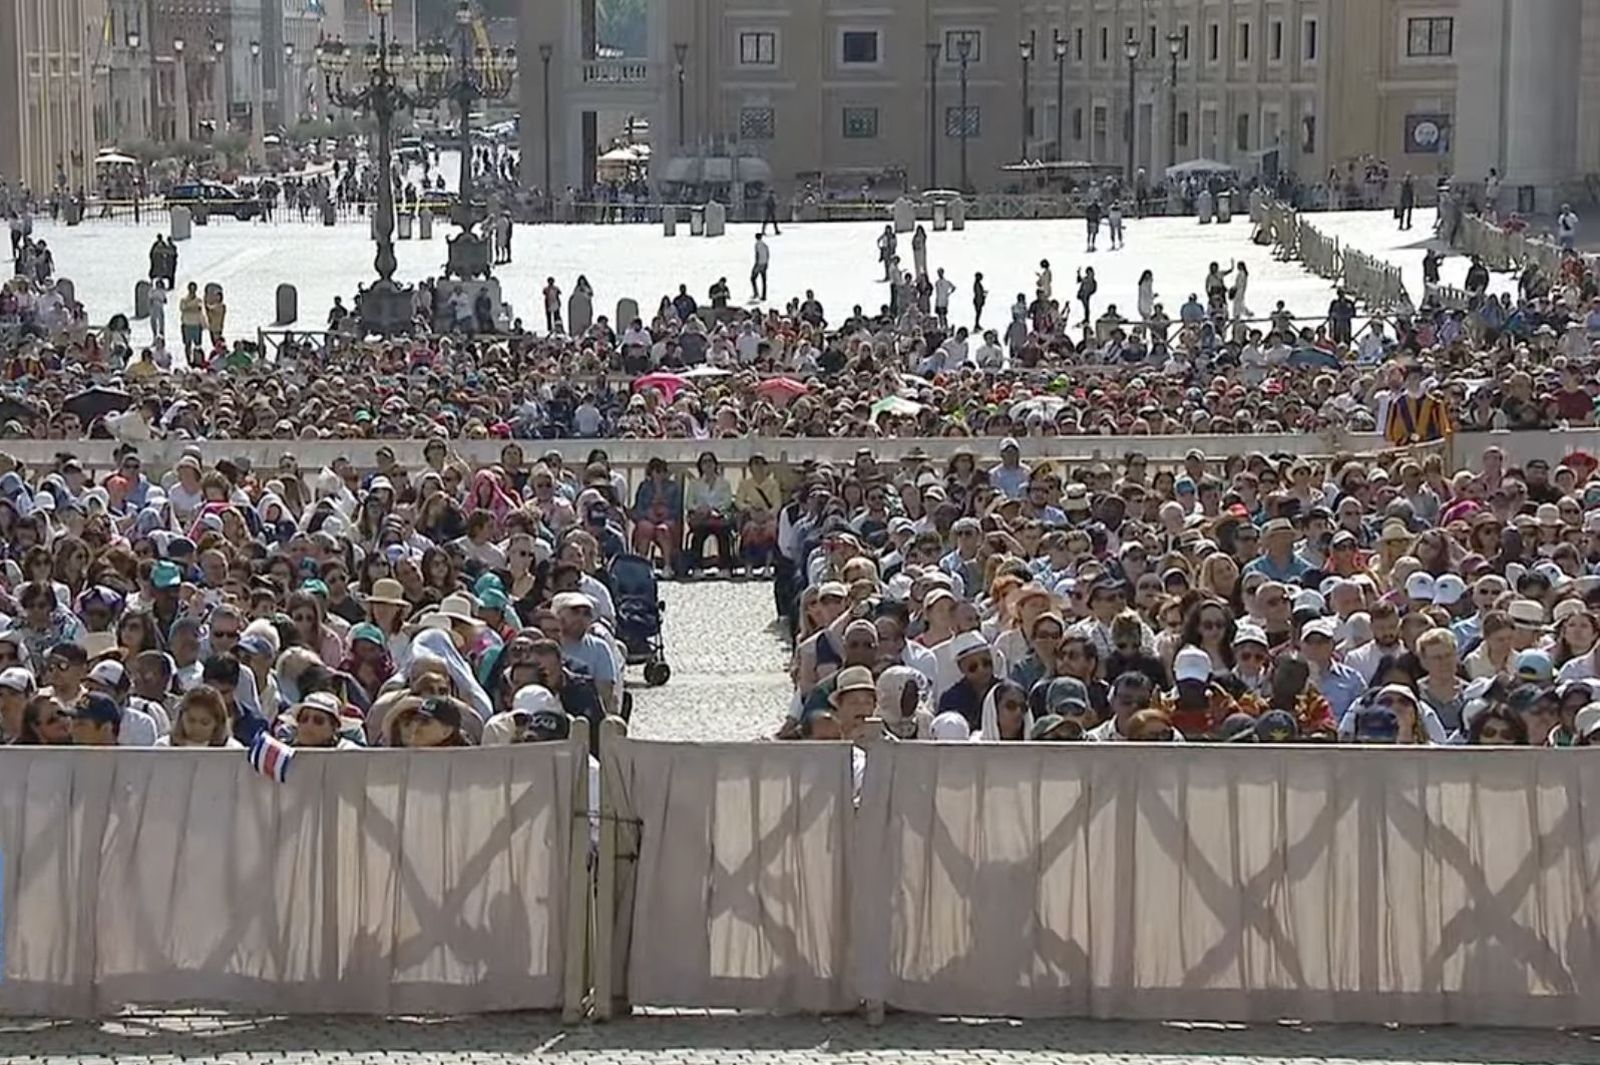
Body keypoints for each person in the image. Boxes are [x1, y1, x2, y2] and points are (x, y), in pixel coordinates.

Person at [751, 233, 770, 301]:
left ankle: (756, 293)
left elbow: (757, 255)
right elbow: (768, 254)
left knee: (753, 278)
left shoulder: (756, 245)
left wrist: (756, 264)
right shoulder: (765, 245)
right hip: (764, 263)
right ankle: (764, 295)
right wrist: (767, 263)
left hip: (759, 264)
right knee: (764, 281)